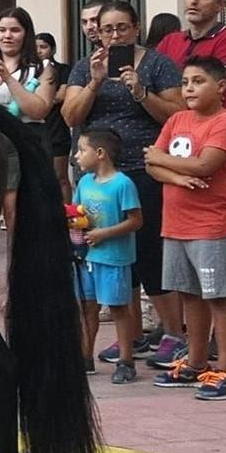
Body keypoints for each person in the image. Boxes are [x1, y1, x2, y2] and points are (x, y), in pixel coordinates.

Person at [61, 1, 186, 366]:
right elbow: (71, 115)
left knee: (149, 253)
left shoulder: (158, 64)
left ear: (136, 28)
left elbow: (177, 113)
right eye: (107, 29)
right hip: (97, 175)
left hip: (142, 168)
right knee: (114, 259)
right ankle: (128, 336)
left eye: (122, 28)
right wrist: (96, 82)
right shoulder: (86, 67)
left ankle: (173, 333)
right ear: (96, 31)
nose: (115, 36)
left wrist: (141, 92)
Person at [144, 56, 226, 399]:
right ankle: (196, 362)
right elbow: (151, 164)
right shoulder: (177, 119)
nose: (189, 88)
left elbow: (206, 165)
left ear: (220, 87)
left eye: (198, 81)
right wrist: (175, 173)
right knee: (189, 295)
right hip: (176, 224)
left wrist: (161, 159)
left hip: (211, 226)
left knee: (219, 296)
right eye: (186, 81)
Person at [0, 6, 56, 233]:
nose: (7, 36)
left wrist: (8, 78)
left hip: (26, 139)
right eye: (2, 30)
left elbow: (38, 110)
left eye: (14, 30)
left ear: (26, 34)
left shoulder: (41, 68)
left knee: (19, 212)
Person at [71, 127, 142, 382]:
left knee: (118, 307)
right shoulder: (85, 182)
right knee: (87, 306)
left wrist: (104, 233)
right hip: (87, 257)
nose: (76, 156)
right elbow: (78, 212)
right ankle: (85, 355)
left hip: (113, 257)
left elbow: (135, 221)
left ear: (100, 153)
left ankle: (126, 359)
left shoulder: (122, 184)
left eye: (81, 150)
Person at [36, 32, 74, 203]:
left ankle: (67, 215)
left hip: (57, 129)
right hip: (36, 129)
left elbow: (62, 95)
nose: (39, 51)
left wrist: (40, 100)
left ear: (52, 49)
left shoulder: (63, 69)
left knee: (61, 177)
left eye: (43, 47)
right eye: (35, 47)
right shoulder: (31, 70)